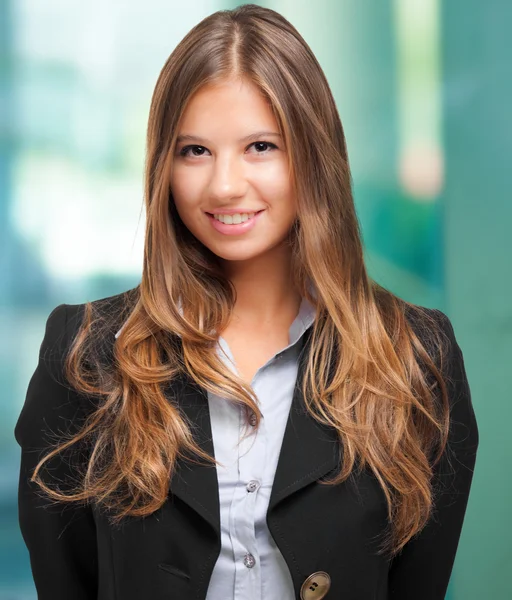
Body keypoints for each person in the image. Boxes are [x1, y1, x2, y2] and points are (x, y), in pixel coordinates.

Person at [14, 4, 479, 600]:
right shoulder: (85, 354)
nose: (225, 185)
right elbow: (65, 579)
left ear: (314, 155)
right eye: (194, 151)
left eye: (260, 146)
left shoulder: (416, 358)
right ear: (163, 166)